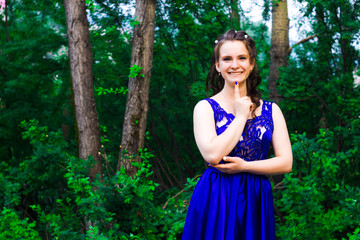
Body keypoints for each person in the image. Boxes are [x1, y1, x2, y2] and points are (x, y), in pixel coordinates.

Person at [182, 29, 293, 240]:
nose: (234, 65)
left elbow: (286, 162)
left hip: (256, 195)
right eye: (227, 59)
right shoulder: (205, 108)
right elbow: (212, 155)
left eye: (242, 58)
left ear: (251, 64)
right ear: (217, 65)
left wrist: (245, 166)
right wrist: (241, 116)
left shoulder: (271, 110)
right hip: (217, 195)